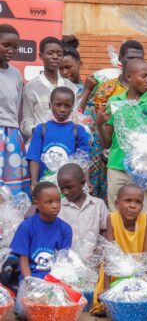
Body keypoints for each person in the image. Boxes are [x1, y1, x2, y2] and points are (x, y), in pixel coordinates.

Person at [97, 58, 147, 251]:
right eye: (144, 75)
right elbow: (107, 142)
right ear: (129, 77)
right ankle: (120, 262)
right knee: (116, 217)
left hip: (146, 170)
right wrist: (99, 124)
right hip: (117, 166)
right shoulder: (115, 101)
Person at [88, 40, 147, 201]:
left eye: (139, 58)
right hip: (114, 153)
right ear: (120, 58)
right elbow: (102, 121)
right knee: (114, 198)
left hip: (143, 159)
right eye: (130, 58)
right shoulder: (106, 88)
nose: (134, 62)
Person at [90, 184, 147, 316]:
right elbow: (109, 254)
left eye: (138, 202)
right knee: (103, 303)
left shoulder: (145, 218)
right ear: (117, 203)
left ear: (142, 206)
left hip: (140, 271)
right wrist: (106, 288)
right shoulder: (112, 218)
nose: (132, 205)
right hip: (115, 271)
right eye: (128, 200)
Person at [10, 182, 72, 317]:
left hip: (54, 280)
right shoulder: (27, 227)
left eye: (58, 201)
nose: (55, 205)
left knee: (60, 310)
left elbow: (63, 261)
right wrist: (29, 282)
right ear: (37, 203)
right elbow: (23, 259)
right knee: (22, 312)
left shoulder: (65, 229)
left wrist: (57, 284)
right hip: (31, 280)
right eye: (49, 202)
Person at [26, 86, 91, 190]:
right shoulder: (41, 129)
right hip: (45, 185)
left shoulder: (78, 130)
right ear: (50, 105)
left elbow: (84, 159)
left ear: (72, 107)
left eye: (67, 106)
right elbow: (34, 157)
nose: (62, 109)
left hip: (69, 188)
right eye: (58, 105)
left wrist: (86, 181)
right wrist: (34, 181)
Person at [20, 37, 78, 140]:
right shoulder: (32, 87)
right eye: (50, 53)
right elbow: (26, 121)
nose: (55, 57)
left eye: (59, 54)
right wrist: (36, 130)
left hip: (65, 143)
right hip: (39, 144)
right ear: (41, 55)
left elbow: (76, 117)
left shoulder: (71, 87)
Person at [0, 24, 29, 196]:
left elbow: (17, 109)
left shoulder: (16, 74)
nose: (11, 50)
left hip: (12, 136)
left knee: (12, 192)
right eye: (6, 45)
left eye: (15, 47)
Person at [57, 163, 108, 241]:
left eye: (69, 187)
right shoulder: (58, 207)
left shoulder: (98, 204)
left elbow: (106, 228)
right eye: (61, 188)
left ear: (82, 183)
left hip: (93, 252)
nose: (65, 192)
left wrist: (101, 248)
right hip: (67, 252)